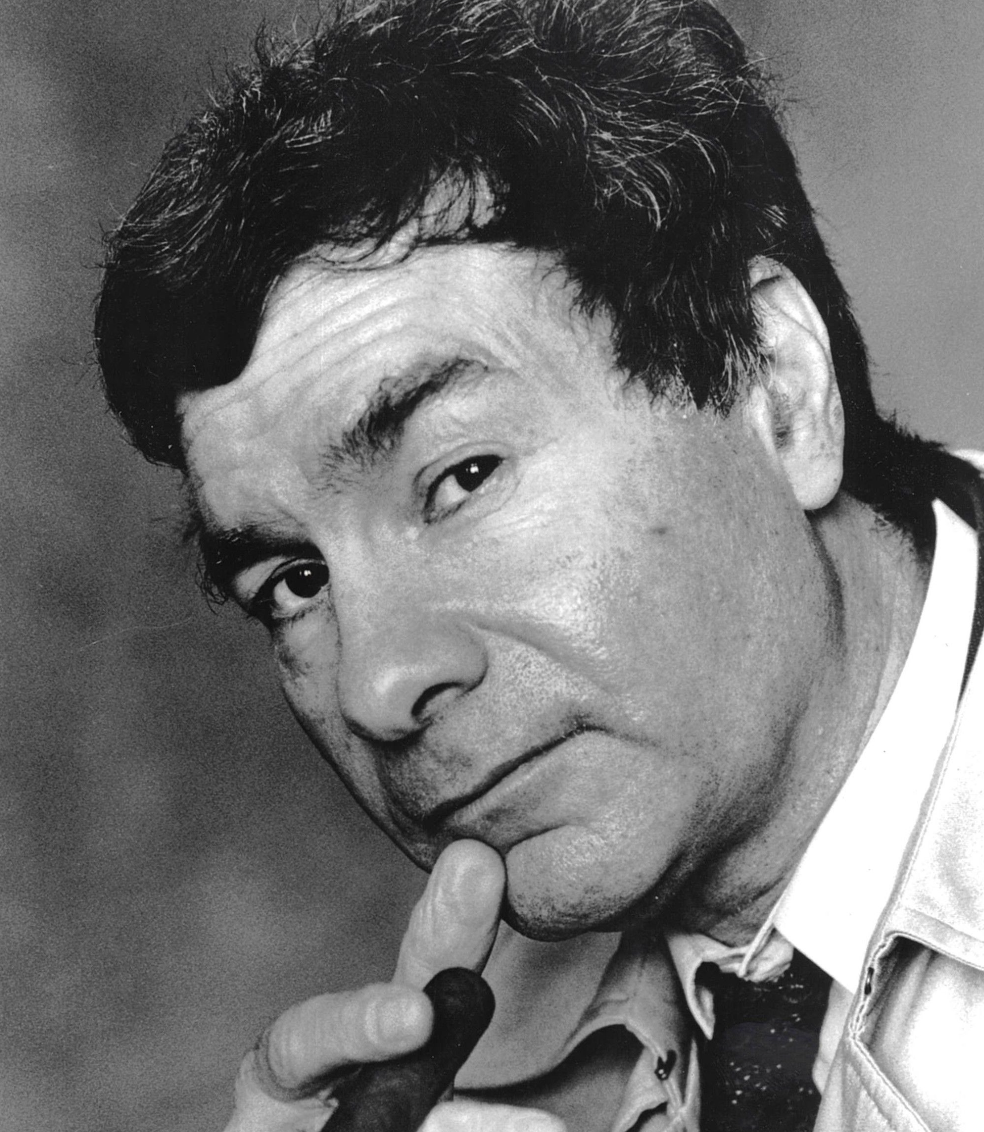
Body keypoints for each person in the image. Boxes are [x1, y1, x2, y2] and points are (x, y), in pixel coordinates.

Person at [94, 1, 984, 1129]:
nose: (377, 685)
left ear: (775, 385)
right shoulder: (441, 1063)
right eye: (295, 583)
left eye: (461, 477)